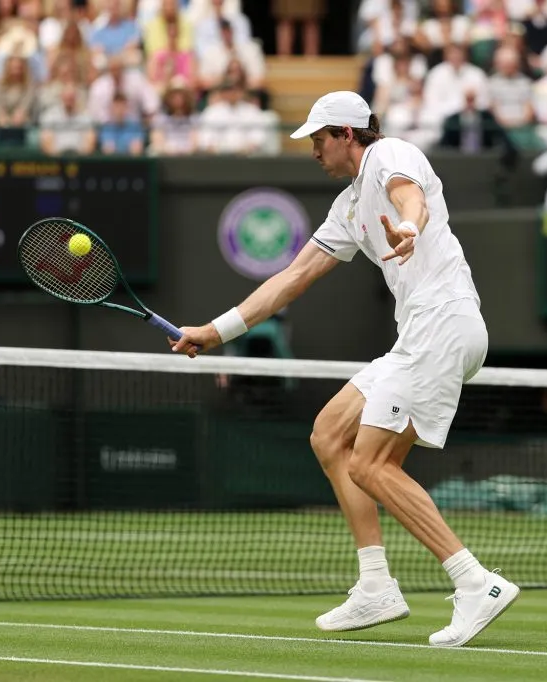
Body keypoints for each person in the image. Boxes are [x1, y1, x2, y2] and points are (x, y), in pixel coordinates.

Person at [168, 91, 519, 647]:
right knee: (331, 436)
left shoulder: (390, 156)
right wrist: (214, 332)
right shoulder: (349, 207)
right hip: (422, 334)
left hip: (442, 325)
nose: (313, 150)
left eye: (318, 139)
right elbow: (292, 278)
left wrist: (407, 227)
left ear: (347, 135)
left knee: (371, 465)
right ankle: (377, 585)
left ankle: (475, 582)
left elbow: (410, 199)